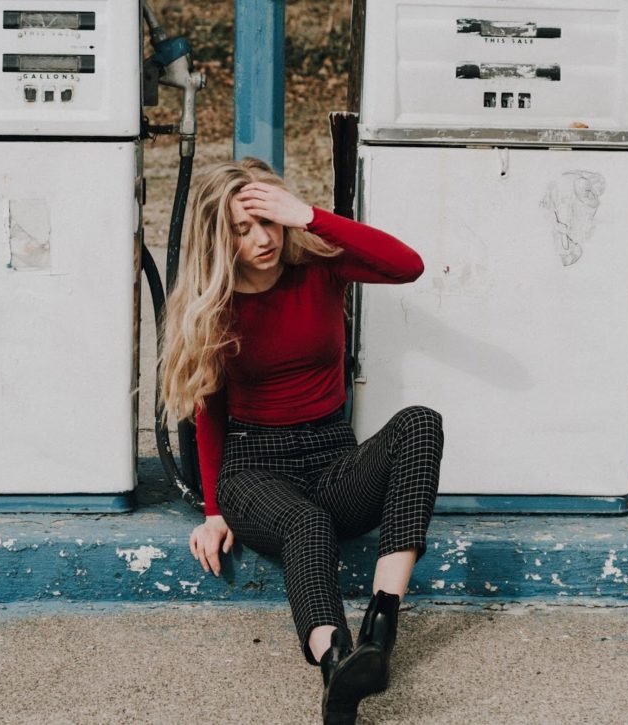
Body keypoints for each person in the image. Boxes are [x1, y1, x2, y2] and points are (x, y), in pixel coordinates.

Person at [161, 158, 444, 724]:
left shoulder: (319, 266)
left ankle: (380, 628)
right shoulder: (213, 305)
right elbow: (209, 410)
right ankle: (334, 660)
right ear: (220, 238)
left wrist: (310, 216)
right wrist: (216, 509)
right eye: (242, 230)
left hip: (332, 457)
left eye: (268, 221)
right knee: (306, 524)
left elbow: (407, 265)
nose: (262, 239)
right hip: (253, 469)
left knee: (421, 422)